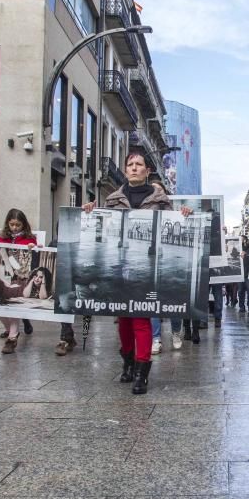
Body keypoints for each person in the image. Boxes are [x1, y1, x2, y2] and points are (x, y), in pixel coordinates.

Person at [83, 152, 190, 394]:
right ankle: (128, 363)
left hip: (147, 266)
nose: (133, 168)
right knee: (124, 321)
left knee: (141, 318)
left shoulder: (161, 200)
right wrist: (90, 212)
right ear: (125, 169)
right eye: (129, 164)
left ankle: (142, 372)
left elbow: (172, 230)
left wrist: (183, 216)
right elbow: (104, 228)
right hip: (119, 266)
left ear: (147, 170)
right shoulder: (112, 199)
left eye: (138, 164)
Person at [0, 209, 39, 354]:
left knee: (13, 305)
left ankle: (12, 337)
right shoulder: (1, 238)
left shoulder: (30, 239)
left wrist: (32, 248)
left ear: (24, 224)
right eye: (12, 224)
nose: (15, 228)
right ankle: (10, 328)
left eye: (18, 225)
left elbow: (35, 256)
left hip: (20, 277)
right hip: (4, 276)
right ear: (7, 223)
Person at [238, 236, 249, 312]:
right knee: (240, 291)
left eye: (241, 238)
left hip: (248, 273)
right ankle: (241, 306)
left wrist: (246, 253)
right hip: (240, 273)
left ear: (245, 240)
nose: (240, 239)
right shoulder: (237, 248)